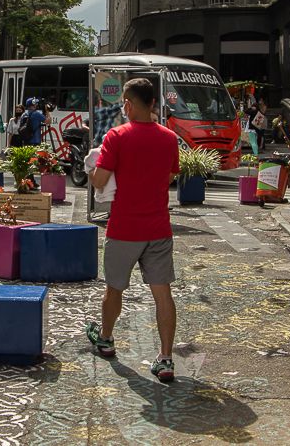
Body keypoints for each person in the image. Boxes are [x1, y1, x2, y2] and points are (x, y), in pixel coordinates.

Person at [85, 78, 180, 383]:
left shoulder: (117, 136)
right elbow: (167, 180)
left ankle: (107, 338)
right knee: (163, 294)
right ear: (153, 103)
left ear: (127, 104)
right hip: (158, 227)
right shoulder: (169, 138)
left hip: (124, 228)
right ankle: (165, 359)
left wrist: (90, 170)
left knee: (114, 289)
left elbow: (100, 181)